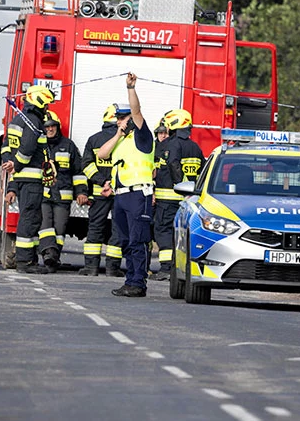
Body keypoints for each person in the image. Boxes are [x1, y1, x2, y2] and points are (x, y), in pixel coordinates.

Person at [97, 73, 155, 297]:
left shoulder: (143, 137)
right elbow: (102, 154)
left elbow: (137, 111)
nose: (120, 121)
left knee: (138, 240)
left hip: (138, 194)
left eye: (123, 118)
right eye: (118, 118)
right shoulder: (121, 141)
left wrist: (131, 89)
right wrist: (118, 135)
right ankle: (131, 280)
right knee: (125, 240)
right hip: (121, 196)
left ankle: (138, 282)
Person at [2, 84, 55, 274]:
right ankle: (25, 262)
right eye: (46, 104)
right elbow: (28, 148)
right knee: (30, 219)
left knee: (29, 218)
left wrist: (10, 164)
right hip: (31, 180)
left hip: (22, 179)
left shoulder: (18, 119)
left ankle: (29, 259)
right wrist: (16, 164)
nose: (47, 109)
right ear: (39, 101)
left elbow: (6, 146)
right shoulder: (33, 121)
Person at [149, 109, 205, 281]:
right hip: (188, 200)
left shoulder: (172, 145)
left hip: (168, 199)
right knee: (180, 234)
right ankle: (176, 268)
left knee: (163, 231)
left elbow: (173, 164)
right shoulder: (195, 147)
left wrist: (178, 184)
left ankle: (166, 268)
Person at [38, 111, 88, 270]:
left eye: (52, 126)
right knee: (45, 225)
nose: (50, 129)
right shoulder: (38, 145)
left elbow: (78, 172)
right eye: (46, 127)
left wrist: (81, 192)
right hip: (43, 195)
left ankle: (53, 258)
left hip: (62, 196)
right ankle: (49, 254)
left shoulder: (68, 146)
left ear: (57, 127)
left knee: (60, 229)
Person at [78, 104, 124, 277]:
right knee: (118, 229)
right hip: (120, 192)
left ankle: (91, 267)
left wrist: (102, 181)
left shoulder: (94, 140)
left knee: (95, 228)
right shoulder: (125, 139)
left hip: (99, 193)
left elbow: (87, 166)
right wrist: (113, 183)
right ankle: (112, 268)